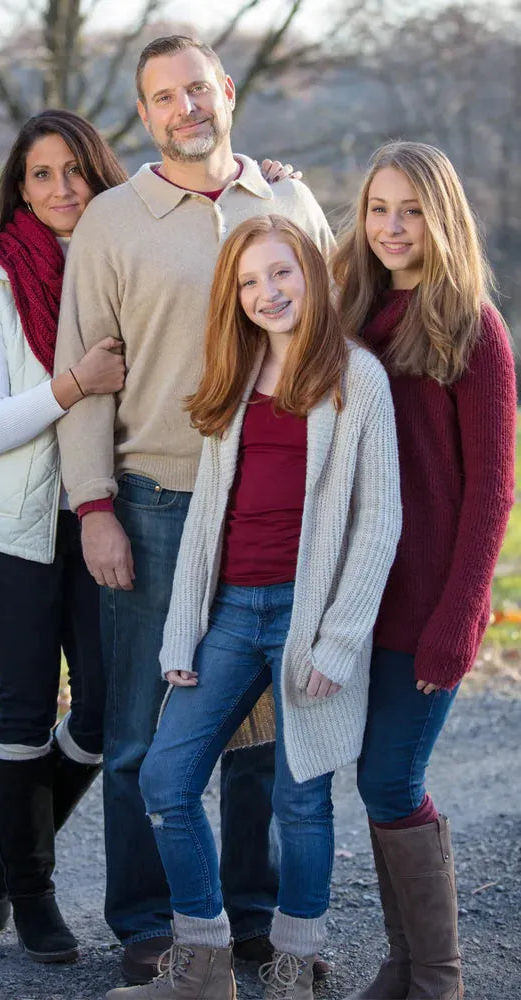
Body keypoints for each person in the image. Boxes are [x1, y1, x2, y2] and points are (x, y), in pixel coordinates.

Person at [53, 35, 336, 984]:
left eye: (197, 89)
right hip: (158, 503)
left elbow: (330, 336)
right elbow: (86, 377)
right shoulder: (111, 221)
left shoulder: (288, 201)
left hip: (275, 507)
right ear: (146, 116)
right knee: (143, 730)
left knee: (259, 731)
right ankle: (149, 920)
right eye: (163, 97)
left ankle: (247, 912)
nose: (185, 109)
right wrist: (94, 505)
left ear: (225, 93)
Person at [104, 215, 400, 1000]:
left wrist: (338, 642)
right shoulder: (235, 375)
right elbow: (208, 517)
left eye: (282, 273)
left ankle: (296, 964)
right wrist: (184, 630)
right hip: (234, 610)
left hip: (311, 615)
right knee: (165, 778)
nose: (267, 292)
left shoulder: (356, 378)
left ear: (311, 275)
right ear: (233, 298)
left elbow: (380, 519)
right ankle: (202, 962)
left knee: (300, 796)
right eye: (248, 281)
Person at [0, 108, 128, 964]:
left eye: (74, 171)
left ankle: (8, 835)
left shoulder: (122, 261)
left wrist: (269, 188)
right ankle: (32, 892)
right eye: (40, 175)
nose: (60, 189)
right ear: (20, 188)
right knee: (26, 705)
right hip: (5, 529)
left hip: (98, 517)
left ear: (97, 173)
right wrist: (73, 384)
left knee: (102, 706)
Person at [331, 142, 516, 1000]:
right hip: (360, 595)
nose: (392, 227)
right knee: (374, 777)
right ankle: (404, 965)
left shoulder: (474, 329)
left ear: (443, 217)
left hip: (430, 600)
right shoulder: (354, 311)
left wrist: (462, 613)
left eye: (410, 210)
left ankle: (438, 975)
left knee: (389, 778)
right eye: (378, 209)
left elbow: (492, 494)